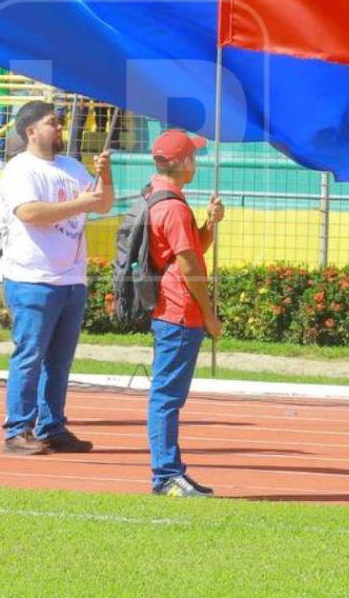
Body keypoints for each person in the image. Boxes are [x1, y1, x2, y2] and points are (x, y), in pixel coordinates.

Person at [0, 100, 112, 455]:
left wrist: (105, 175)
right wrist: (81, 204)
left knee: (59, 361)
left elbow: (103, 204)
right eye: (52, 123)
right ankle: (17, 429)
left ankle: (52, 426)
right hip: (32, 277)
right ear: (31, 131)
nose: (60, 127)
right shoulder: (20, 170)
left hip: (70, 280)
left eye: (59, 122)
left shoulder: (72, 166)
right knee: (30, 355)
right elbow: (30, 212)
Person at [144, 129, 224, 497]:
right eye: (193, 155)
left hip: (173, 309)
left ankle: (171, 471)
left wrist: (209, 224)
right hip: (178, 311)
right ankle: (165, 474)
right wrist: (209, 314)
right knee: (167, 397)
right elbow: (190, 264)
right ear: (181, 163)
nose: (197, 161)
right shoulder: (173, 208)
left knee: (169, 396)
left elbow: (190, 249)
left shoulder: (163, 198)